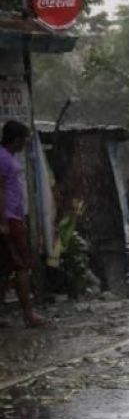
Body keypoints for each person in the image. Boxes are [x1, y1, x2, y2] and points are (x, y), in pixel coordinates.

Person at [0, 121, 48, 328]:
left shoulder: (7, 157)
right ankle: (28, 314)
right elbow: (0, 190)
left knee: (3, 268)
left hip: (13, 217)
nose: (25, 144)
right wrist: (3, 221)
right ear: (16, 139)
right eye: (24, 139)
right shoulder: (3, 158)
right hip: (9, 219)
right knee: (22, 267)